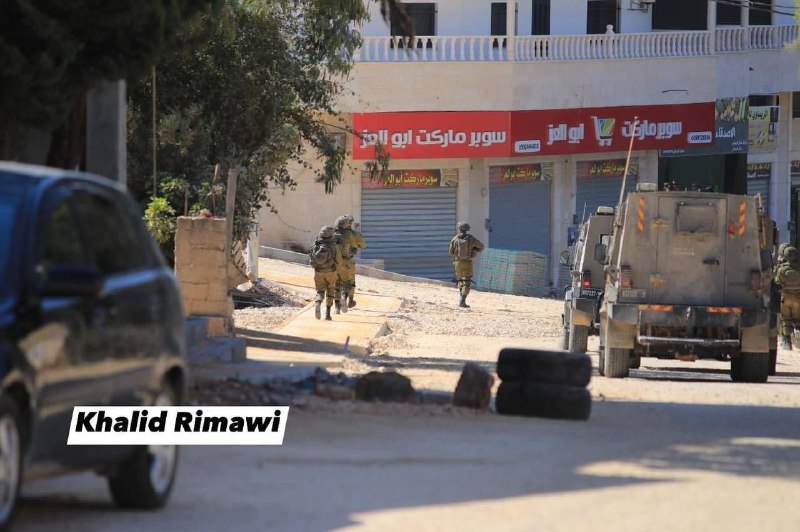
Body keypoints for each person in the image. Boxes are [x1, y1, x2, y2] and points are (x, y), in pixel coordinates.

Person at [333, 214, 368, 314]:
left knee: (336, 284)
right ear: (349, 224)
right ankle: (347, 298)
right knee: (350, 282)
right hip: (348, 262)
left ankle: (336, 308)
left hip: (334, 263)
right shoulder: (350, 233)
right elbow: (363, 244)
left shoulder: (332, 232)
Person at [309, 225, 342, 321]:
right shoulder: (334, 246)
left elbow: (311, 260)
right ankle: (327, 314)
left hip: (318, 272)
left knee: (320, 291)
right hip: (331, 272)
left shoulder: (316, 245)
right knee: (331, 290)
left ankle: (318, 302)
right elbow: (339, 261)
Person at [449, 221, 485, 308]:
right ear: (467, 229)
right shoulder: (471, 238)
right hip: (467, 263)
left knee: (460, 280)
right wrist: (475, 250)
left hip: (457, 262)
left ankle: (461, 298)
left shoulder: (455, 239)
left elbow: (451, 252)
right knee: (467, 281)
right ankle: (463, 300)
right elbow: (481, 246)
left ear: (459, 228)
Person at [775, 245, 800, 350]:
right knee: (797, 319)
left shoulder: (781, 269)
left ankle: (786, 342)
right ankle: (798, 335)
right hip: (797, 298)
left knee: (785, 319)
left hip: (785, 298)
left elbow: (777, 282)